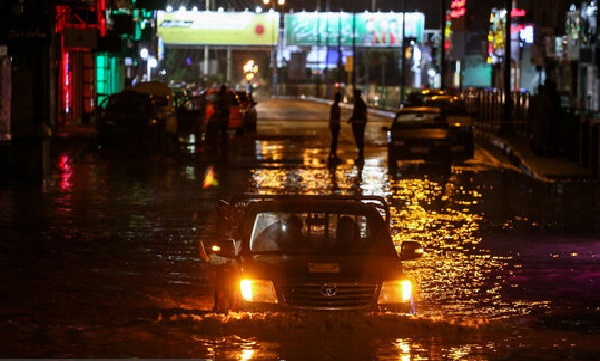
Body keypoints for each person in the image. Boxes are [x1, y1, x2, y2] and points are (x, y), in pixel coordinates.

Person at [348, 89, 368, 160]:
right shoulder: (361, 103)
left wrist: (352, 119)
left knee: (358, 138)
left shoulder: (358, 103)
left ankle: (360, 153)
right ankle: (360, 153)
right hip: (360, 123)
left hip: (357, 123)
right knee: (360, 138)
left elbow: (356, 114)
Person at [329, 92, 342, 160]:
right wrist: (338, 125)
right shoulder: (335, 106)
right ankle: (333, 154)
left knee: (334, 140)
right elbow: (335, 117)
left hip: (334, 125)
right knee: (334, 140)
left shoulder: (335, 106)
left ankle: (332, 153)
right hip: (335, 125)